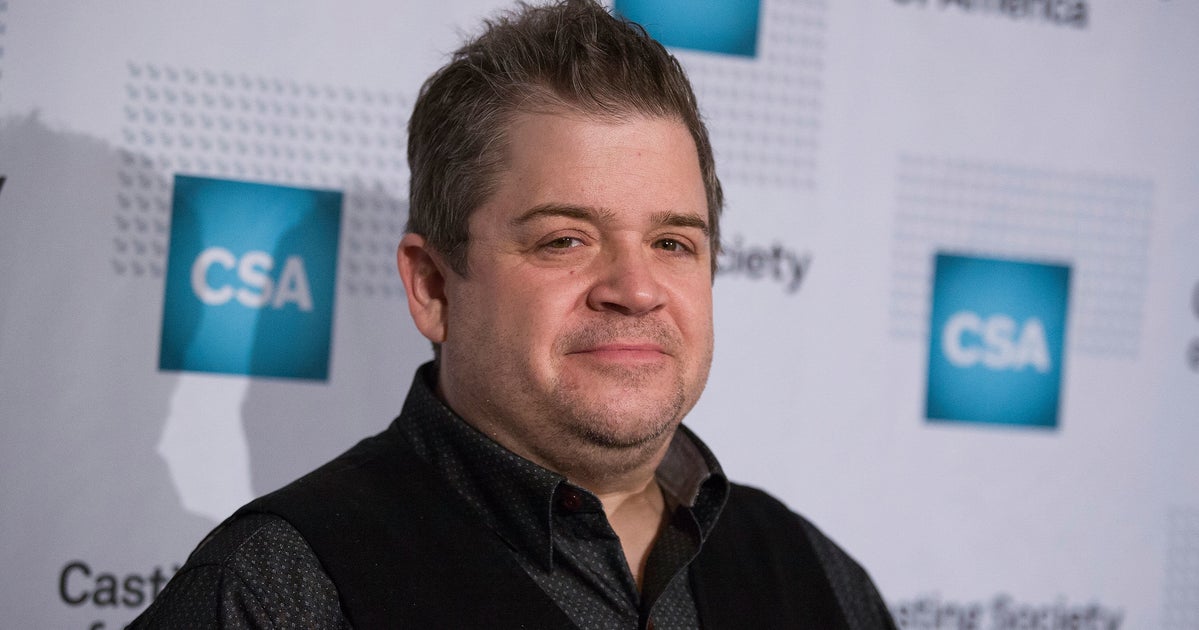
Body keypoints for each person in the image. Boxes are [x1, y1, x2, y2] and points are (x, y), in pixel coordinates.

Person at [131, 1, 896, 628]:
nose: (635, 289)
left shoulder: (816, 579)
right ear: (433, 287)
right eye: (565, 240)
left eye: (672, 242)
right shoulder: (280, 592)